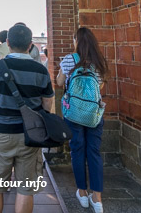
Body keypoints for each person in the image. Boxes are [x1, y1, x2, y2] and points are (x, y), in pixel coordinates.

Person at [0, 24, 55, 213]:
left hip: (1, 133)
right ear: (31, 45)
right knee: (26, 189)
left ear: (8, 43)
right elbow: (48, 103)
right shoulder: (40, 70)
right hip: (30, 135)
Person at [55, 27, 108, 213]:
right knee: (94, 152)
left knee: (77, 150)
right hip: (93, 113)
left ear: (76, 41)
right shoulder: (99, 61)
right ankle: (98, 199)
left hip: (74, 113)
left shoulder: (70, 59)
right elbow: (99, 87)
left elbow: (60, 83)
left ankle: (82, 193)